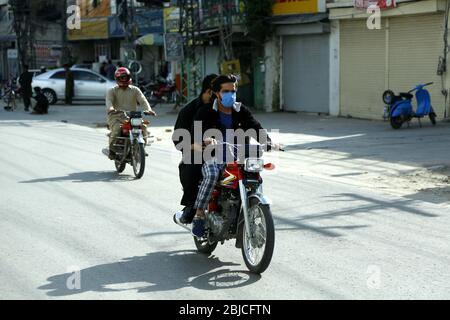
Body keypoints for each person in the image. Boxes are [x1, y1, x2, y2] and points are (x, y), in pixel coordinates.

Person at [189, 75, 276, 237]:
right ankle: (200, 213)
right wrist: (206, 139)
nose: (231, 95)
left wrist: (268, 142)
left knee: (255, 176)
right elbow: (196, 135)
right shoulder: (205, 111)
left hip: (240, 157)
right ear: (216, 93)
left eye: (233, 91)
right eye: (226, 91)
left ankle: (249, 207)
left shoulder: (241, 110)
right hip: (215, 156)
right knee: (213, 174)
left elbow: (255, 127)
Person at [172, 74, 218, 225]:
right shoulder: (188, 111)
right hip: (195, 151)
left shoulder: (224, 109)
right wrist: (195, 145)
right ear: (208, 91)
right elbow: (178, 139)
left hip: (220, 150)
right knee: (193, 164)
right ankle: (191, 206)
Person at [105, 67, 157, 159]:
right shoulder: (112, 91)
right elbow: (109, 101)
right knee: (117, 130)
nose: (124, 79)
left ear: (129, 77)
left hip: (133, 117)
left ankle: (142, 148)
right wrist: (111, 108)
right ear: (117, 79)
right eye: (122, 78)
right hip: (116, 116)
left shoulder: (135, 90)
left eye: (125, 77)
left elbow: (143, 100)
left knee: (144, 127)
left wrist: (148, 109)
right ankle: (112, 149)